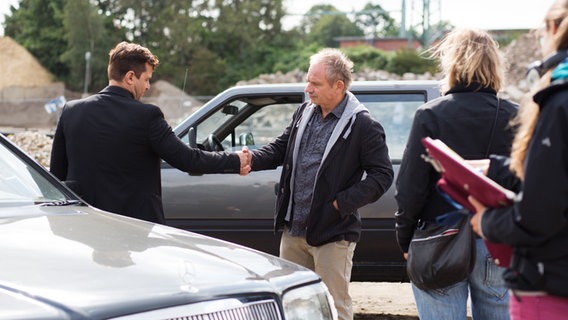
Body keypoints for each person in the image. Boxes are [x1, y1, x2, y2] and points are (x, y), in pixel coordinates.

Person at [249, 48, 394, 320]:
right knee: (293, 308)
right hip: (293, 231)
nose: (308, 89)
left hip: (333, 234)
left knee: (333, 309)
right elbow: (280, 149)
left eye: (315, 83)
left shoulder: (363, 125)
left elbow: (382, 175)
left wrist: (341, 204)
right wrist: (247, 159)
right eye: (308, 81)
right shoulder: (304, 112)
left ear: (338, 86)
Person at [50, 41, 251, 224]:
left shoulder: (71, 111)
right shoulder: (147, 116)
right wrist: (234, 160)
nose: (147, 86)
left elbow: (55, 176)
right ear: (130, 77)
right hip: (134, 227)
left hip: (84, 226)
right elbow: (187, 159)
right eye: (146, 79)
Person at [395, 28, 518, 320]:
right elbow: (527, 180)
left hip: (440, 238)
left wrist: (405, 239)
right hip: (495, 238)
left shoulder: (429, 115)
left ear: (451, 64)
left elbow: (411, 187)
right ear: (494, 65)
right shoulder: (516, 115)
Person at [469, 1, 568, 319]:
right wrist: (499, 168)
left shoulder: (560, 102)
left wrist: (486, 222)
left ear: (554, 28)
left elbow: (539, 213)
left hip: (550, 285)